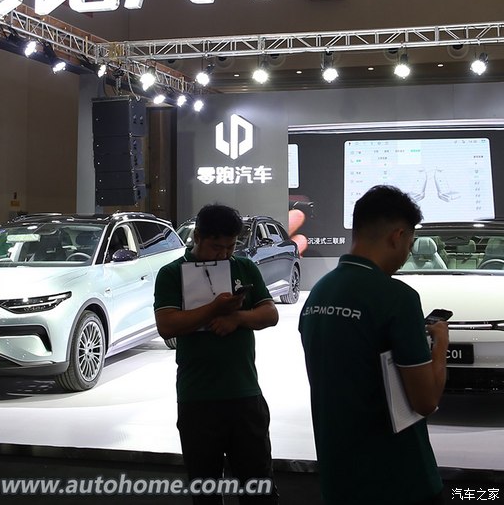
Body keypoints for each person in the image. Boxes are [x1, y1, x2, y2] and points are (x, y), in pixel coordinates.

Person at [299, 185, 448, 505]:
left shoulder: (319, 293)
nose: (407, 254)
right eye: (409, 243)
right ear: (398, 236)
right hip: (399, 479)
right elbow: (426, 401)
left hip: (339, 477)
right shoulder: (398, 298)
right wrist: (440, 346)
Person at [154, 203, 279, 505]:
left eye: (230, 246)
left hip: (244, 393)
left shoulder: (244, 267)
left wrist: (237, 318)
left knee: (258, 486)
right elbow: (167, 325)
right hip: (197, 396)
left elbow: (270, 314)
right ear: (197, 237)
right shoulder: (171, 273)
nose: (223, 254)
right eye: (216, 247)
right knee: (205, 489)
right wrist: (215, 309)